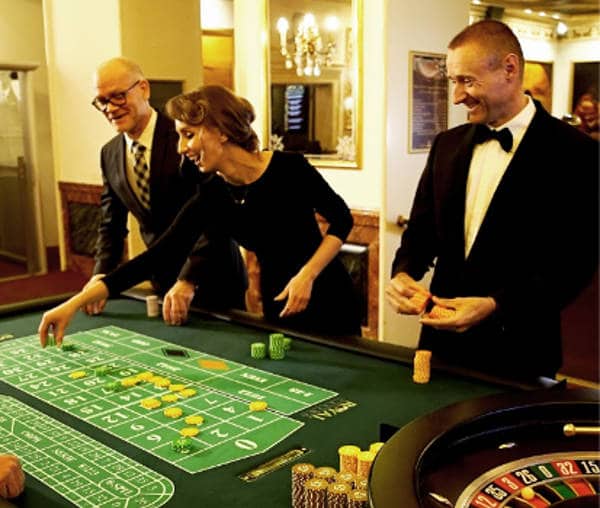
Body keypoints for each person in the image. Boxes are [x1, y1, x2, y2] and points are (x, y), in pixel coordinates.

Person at [39, 85, 360, 344]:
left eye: (188, 134)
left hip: (328, 294)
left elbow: (342, 218)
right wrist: (74, 302)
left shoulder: (290, 167)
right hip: (278, 301)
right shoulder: (211, 192)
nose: (181, 147)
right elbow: (156, 256)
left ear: (220, 131)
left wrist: (308, 274)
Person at [386, 20, 598, 381]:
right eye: (453, 81)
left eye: (467, 81)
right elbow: (421, 232)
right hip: (442, 345)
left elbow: (574, 264)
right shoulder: (446, 144)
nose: (456, 96)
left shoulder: (578, 153)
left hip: (520, 349)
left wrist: (495, 305)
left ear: (509, 69)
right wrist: (404, 272)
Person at [86, 58, 247, 324]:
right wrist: (101, 275)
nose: (110, 108)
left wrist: (189, 278)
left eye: (117, 96)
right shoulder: (109, 153)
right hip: (162, 281)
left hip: (214, 277)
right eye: (101, 101)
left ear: (144, 89)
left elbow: (215, 215)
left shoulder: (186, 137)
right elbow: (111, 224)